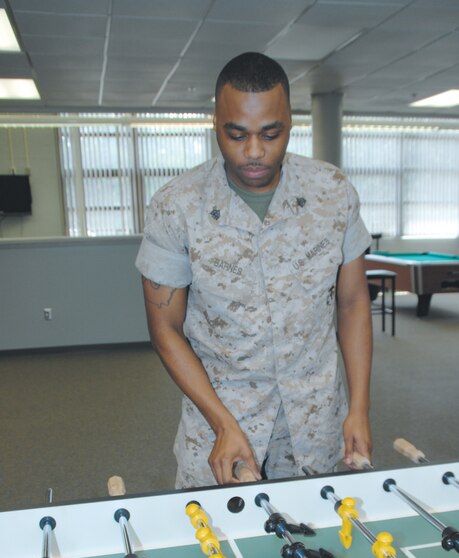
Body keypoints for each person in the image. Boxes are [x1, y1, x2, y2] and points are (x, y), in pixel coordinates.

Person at [136, 52, 372, 488]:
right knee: (217, 551)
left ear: (289, 122)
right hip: (222, 429)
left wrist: (358, 406)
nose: (254, 152)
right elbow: (165, 329)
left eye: (270, 133)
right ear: (215, 124)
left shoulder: (333, 192)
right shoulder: (176, 207)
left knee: (313, 545)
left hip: (315, 424)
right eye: (236, 134)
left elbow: (354, 301)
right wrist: (223, 424)